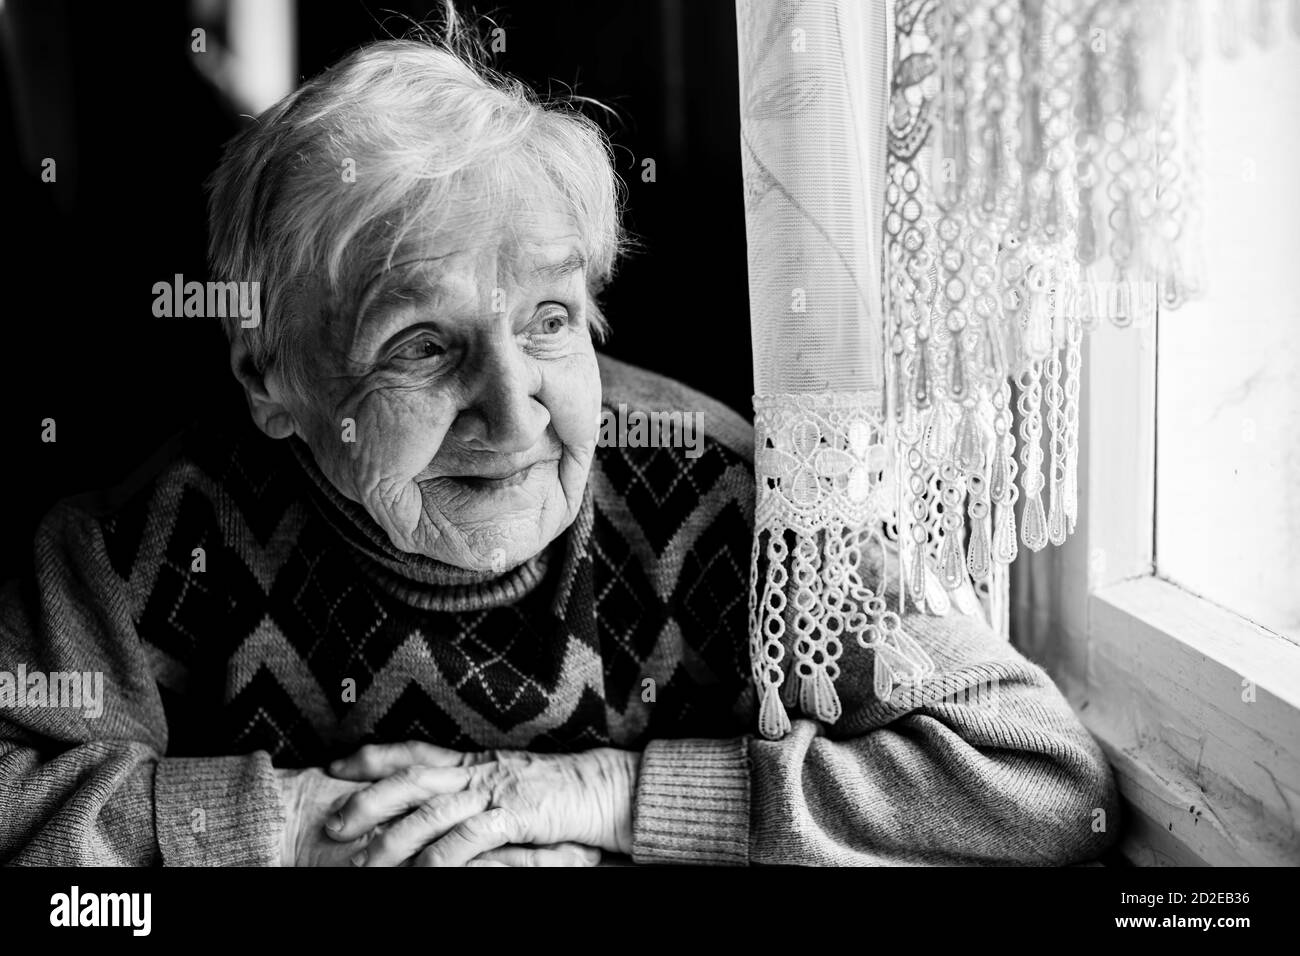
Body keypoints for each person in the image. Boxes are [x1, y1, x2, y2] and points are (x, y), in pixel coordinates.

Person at [0, 29, 1118, 867]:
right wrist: (287, 824)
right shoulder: (137, 546)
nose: (518, 411)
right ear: (270, 377)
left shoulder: (732, 500)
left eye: (547, 319)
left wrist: (610, 793)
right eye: (424, 345)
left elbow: (1038, 779)